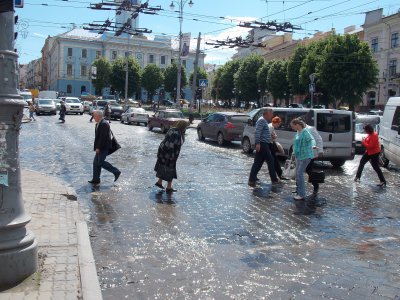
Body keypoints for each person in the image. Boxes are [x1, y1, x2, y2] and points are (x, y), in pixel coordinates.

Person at [154, 120, 189, 194]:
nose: (186, 128)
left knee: (164, 166)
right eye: (186, 127)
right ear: (183, 127)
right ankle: (169, 187)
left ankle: (160, 182)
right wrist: (172, 156)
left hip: (162, 150)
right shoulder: (177, 134)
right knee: (170, 169)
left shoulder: (172, 130)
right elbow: (172, 145)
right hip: (169, 153)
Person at [88, 110, 121, 185]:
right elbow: (98, 137)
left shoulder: (104, 124)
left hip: (103, 147)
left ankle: (116, 171)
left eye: (94, 116)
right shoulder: (98, 124)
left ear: (98, 116)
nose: (93, 118)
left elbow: (102, 138)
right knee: (96, 163)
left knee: (100, 162)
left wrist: (98, 148)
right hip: (100, 146)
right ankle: (96, 179)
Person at [248, 108, 279, 187]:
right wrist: (258, 143)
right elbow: (257, 132)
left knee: (258, 162)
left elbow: (262, 132)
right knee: (270, 161)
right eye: (271, 114)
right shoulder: (262, 120)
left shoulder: (264, 121)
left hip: (264, 143)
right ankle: (274, 180)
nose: (272, 116)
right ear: (267, 113)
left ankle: (252, 179)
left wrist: (270, 135)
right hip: (263, 144)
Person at [290, 118, 316, 200]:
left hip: (305, 155)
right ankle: (299, 191)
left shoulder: (305, 132)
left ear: (297, 125)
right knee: (298, 174)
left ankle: (301, 194)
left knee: (299, 173)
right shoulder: (298, 132)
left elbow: (312, 140)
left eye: (293, 126)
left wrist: (313, 146)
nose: (292, 128)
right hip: (299, 155)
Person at [305, 121, 324, 194]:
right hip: (302, 154)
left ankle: (315, 184)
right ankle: (299, 189)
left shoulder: (311, 129)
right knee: (300, 171)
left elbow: (318, 139)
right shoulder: (299, 130)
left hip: (310, 153)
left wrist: (320, 150)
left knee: (308, 169)